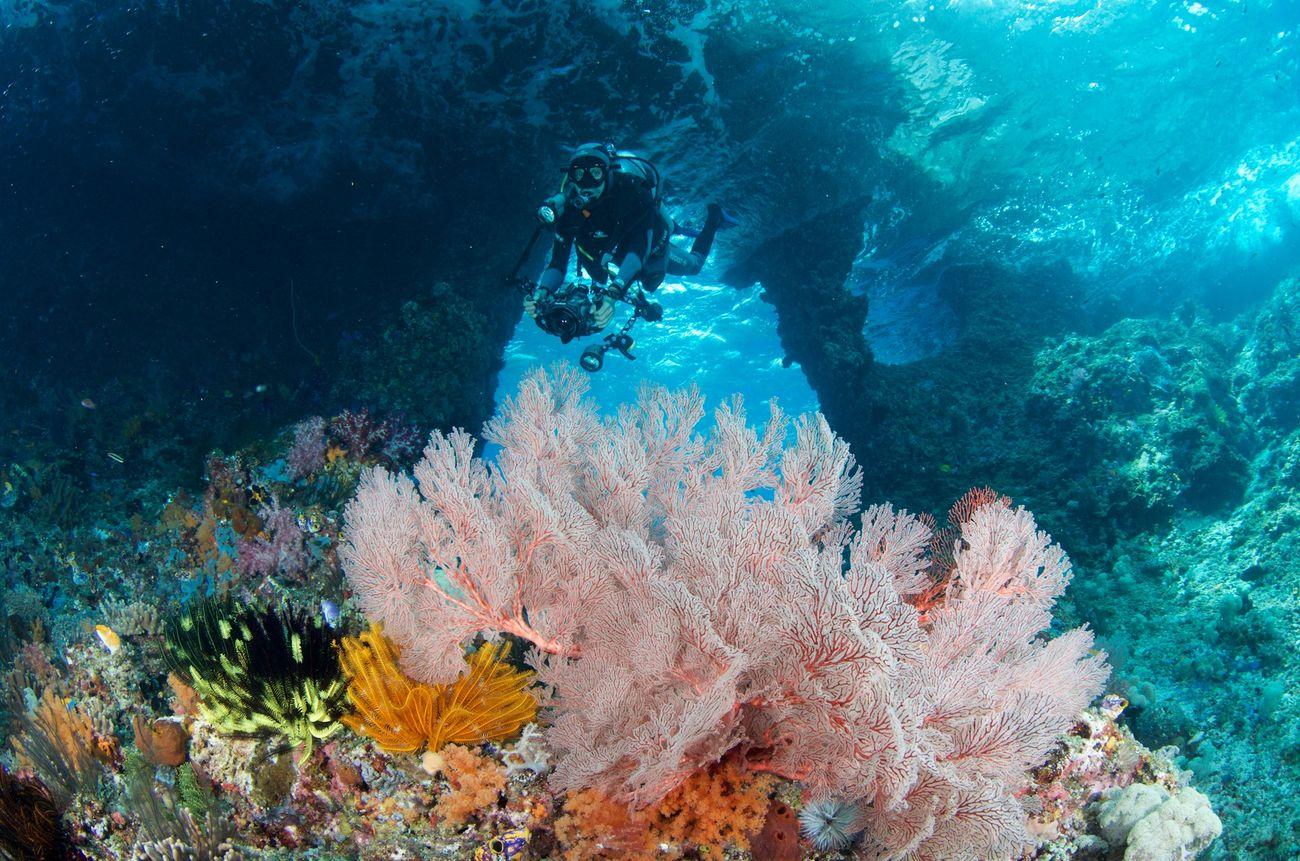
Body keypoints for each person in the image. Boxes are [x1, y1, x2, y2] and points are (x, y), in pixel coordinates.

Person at [525, 142, 732, 329]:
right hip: (611, 259)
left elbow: (638, 250)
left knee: (693, 266)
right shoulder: (569, 211)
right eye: (579, 175)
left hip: (647, 249)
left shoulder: (632, 195)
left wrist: (613, 294)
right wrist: (542, 293)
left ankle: (713, 219)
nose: (587, 183)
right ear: (571, 177)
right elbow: (557, 263)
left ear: (607, 172)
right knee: (603, 276)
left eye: (595, 173)